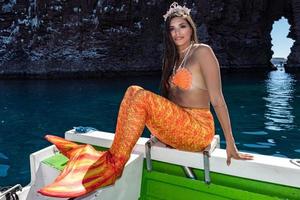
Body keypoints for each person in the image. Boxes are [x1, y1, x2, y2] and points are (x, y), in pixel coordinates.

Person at [38, 2, 253, 198]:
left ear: (191, 28)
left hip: (198, 128)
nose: (177, 33)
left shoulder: (203, 52)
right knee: (133, 90)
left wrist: (230, 144)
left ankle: (114, 166)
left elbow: (217, 100)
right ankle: (112, 157)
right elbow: (172, 106)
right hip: (180, 126)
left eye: (182, 26)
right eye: (172, 28)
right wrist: (162, 134)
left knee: (141, 97)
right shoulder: (174, 59)